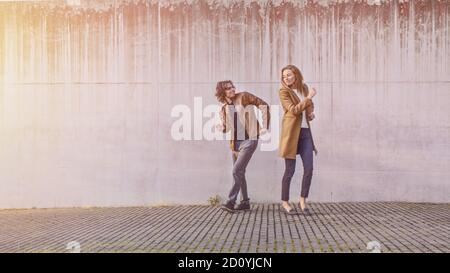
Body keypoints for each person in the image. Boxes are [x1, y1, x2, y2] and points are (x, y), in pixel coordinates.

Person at [215, 80, 270, 213]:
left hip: (250, 139)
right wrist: (222, 127)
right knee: (240, 173)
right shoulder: (223, 108)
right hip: (235, 144)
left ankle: (230, 202)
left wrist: (264, 126)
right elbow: (227, 127)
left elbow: (264, 105)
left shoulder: (244, 96)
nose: (232, 89)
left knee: (236, 171)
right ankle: (245, 202)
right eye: (228, 88)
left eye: (232, 87)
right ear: (223, 92)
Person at [278, 65, 317, 216]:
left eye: (288, 75)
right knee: (290, 170)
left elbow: (309, 106)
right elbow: (293, 110)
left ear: (295, 74)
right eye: (283, 76)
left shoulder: (304, 88)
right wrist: (308, 98)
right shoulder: (283, 91)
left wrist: (310, 113)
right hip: (291, 134)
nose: (286, 78)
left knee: (309, 168)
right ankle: (285, 202)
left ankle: (302, 200)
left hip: (306, 133)